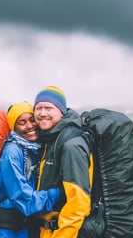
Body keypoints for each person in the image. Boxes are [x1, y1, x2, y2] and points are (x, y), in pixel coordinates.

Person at [0, 101, 62, 238]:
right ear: (14, 128)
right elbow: (23, 199)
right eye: (22, 122)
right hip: (7, 231)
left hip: (24, 228)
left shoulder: (33, 148)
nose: (29, 126)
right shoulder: (12, 152)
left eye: (31, 119)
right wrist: (59, 193)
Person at [30, 86, 92, 238]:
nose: (42, 113)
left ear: (61, 111)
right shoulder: (49, 139)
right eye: (38, 108)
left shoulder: (71, 145)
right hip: (46, 230)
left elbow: (79, 203)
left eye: (49, 108)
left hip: (63, 232)